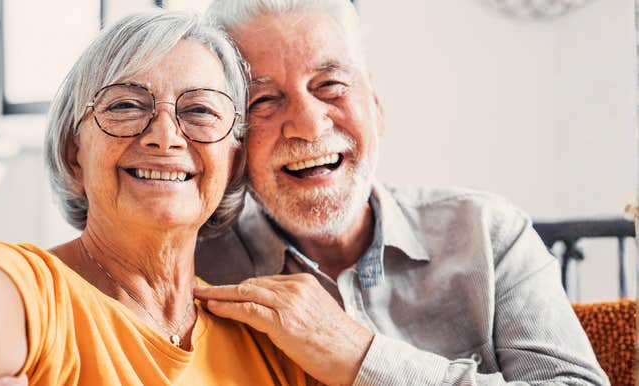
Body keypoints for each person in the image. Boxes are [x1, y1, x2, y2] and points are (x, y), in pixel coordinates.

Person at [0, 11, 315, 386]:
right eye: (124, 106)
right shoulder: (42, 297)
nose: (164, 137)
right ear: (74, 155)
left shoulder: (268, 341)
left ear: (233, 163)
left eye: (199, 110)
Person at [190, 1, 610, 385]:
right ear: (234, 136)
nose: (309, 125)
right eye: (263, 99)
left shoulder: (490, 233)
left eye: (330, 85)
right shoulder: (194, 265)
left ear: (375, 105)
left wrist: (361, 358)